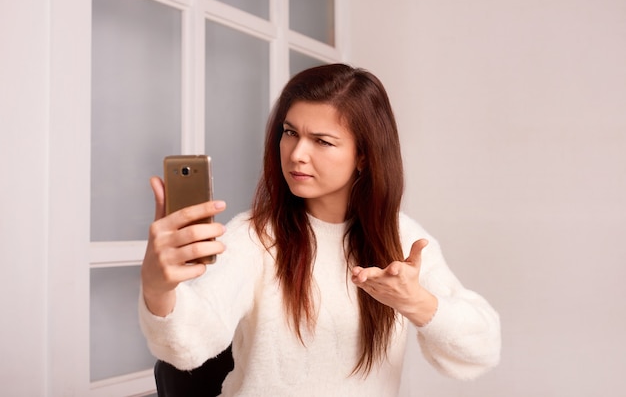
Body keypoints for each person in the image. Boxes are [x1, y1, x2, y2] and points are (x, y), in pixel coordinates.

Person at [139, 63, 501, 396]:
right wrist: (158, 287)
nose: (296, 153)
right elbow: (187, 343)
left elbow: (482, 349)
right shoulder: (255, 237)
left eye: (322, 141)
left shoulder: (403, 240)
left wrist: (417, 303)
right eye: (290, 133)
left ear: (363, 155)